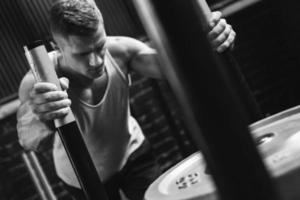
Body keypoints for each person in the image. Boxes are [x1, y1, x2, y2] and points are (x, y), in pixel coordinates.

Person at [16, 0, 236, 199]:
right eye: (82, 54)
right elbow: (27, 139)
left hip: (133, 153)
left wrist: (208, 42)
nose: (96, 61)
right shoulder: (38, 80)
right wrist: (39, 112)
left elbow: (180, 66)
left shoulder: (120, 49)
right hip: (81, 174)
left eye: (99, 46)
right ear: (57, 47)